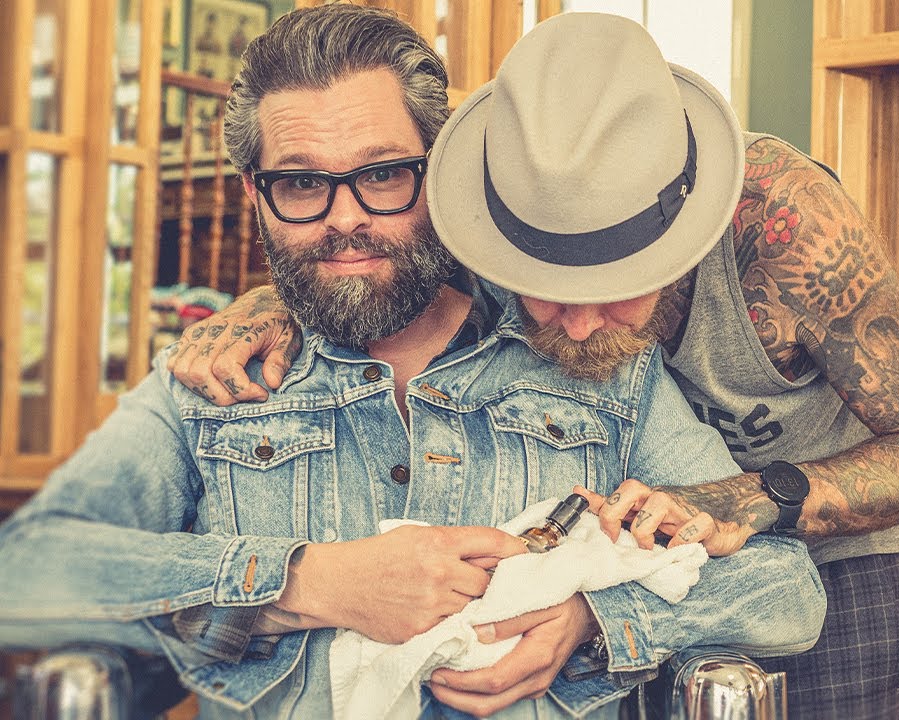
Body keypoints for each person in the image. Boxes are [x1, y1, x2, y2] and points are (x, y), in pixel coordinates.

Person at [0, 6, 828, 719]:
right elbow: (27, 570)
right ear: (256, 194)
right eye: (300, 185)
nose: (344, 220)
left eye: (385, 175)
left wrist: (595, 618)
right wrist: (306, 582)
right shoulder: (213, 386)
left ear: (442, 173)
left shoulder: (594, 368)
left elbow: (784, 593)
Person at [171, 10, 899, 720]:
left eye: (616, 286)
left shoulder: (785, 229)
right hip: (613, 549)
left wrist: (745, 497)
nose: (580, 322)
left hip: (825, 548)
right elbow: (361, 247)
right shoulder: (499, 192)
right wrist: (266, 304)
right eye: (544, 287)